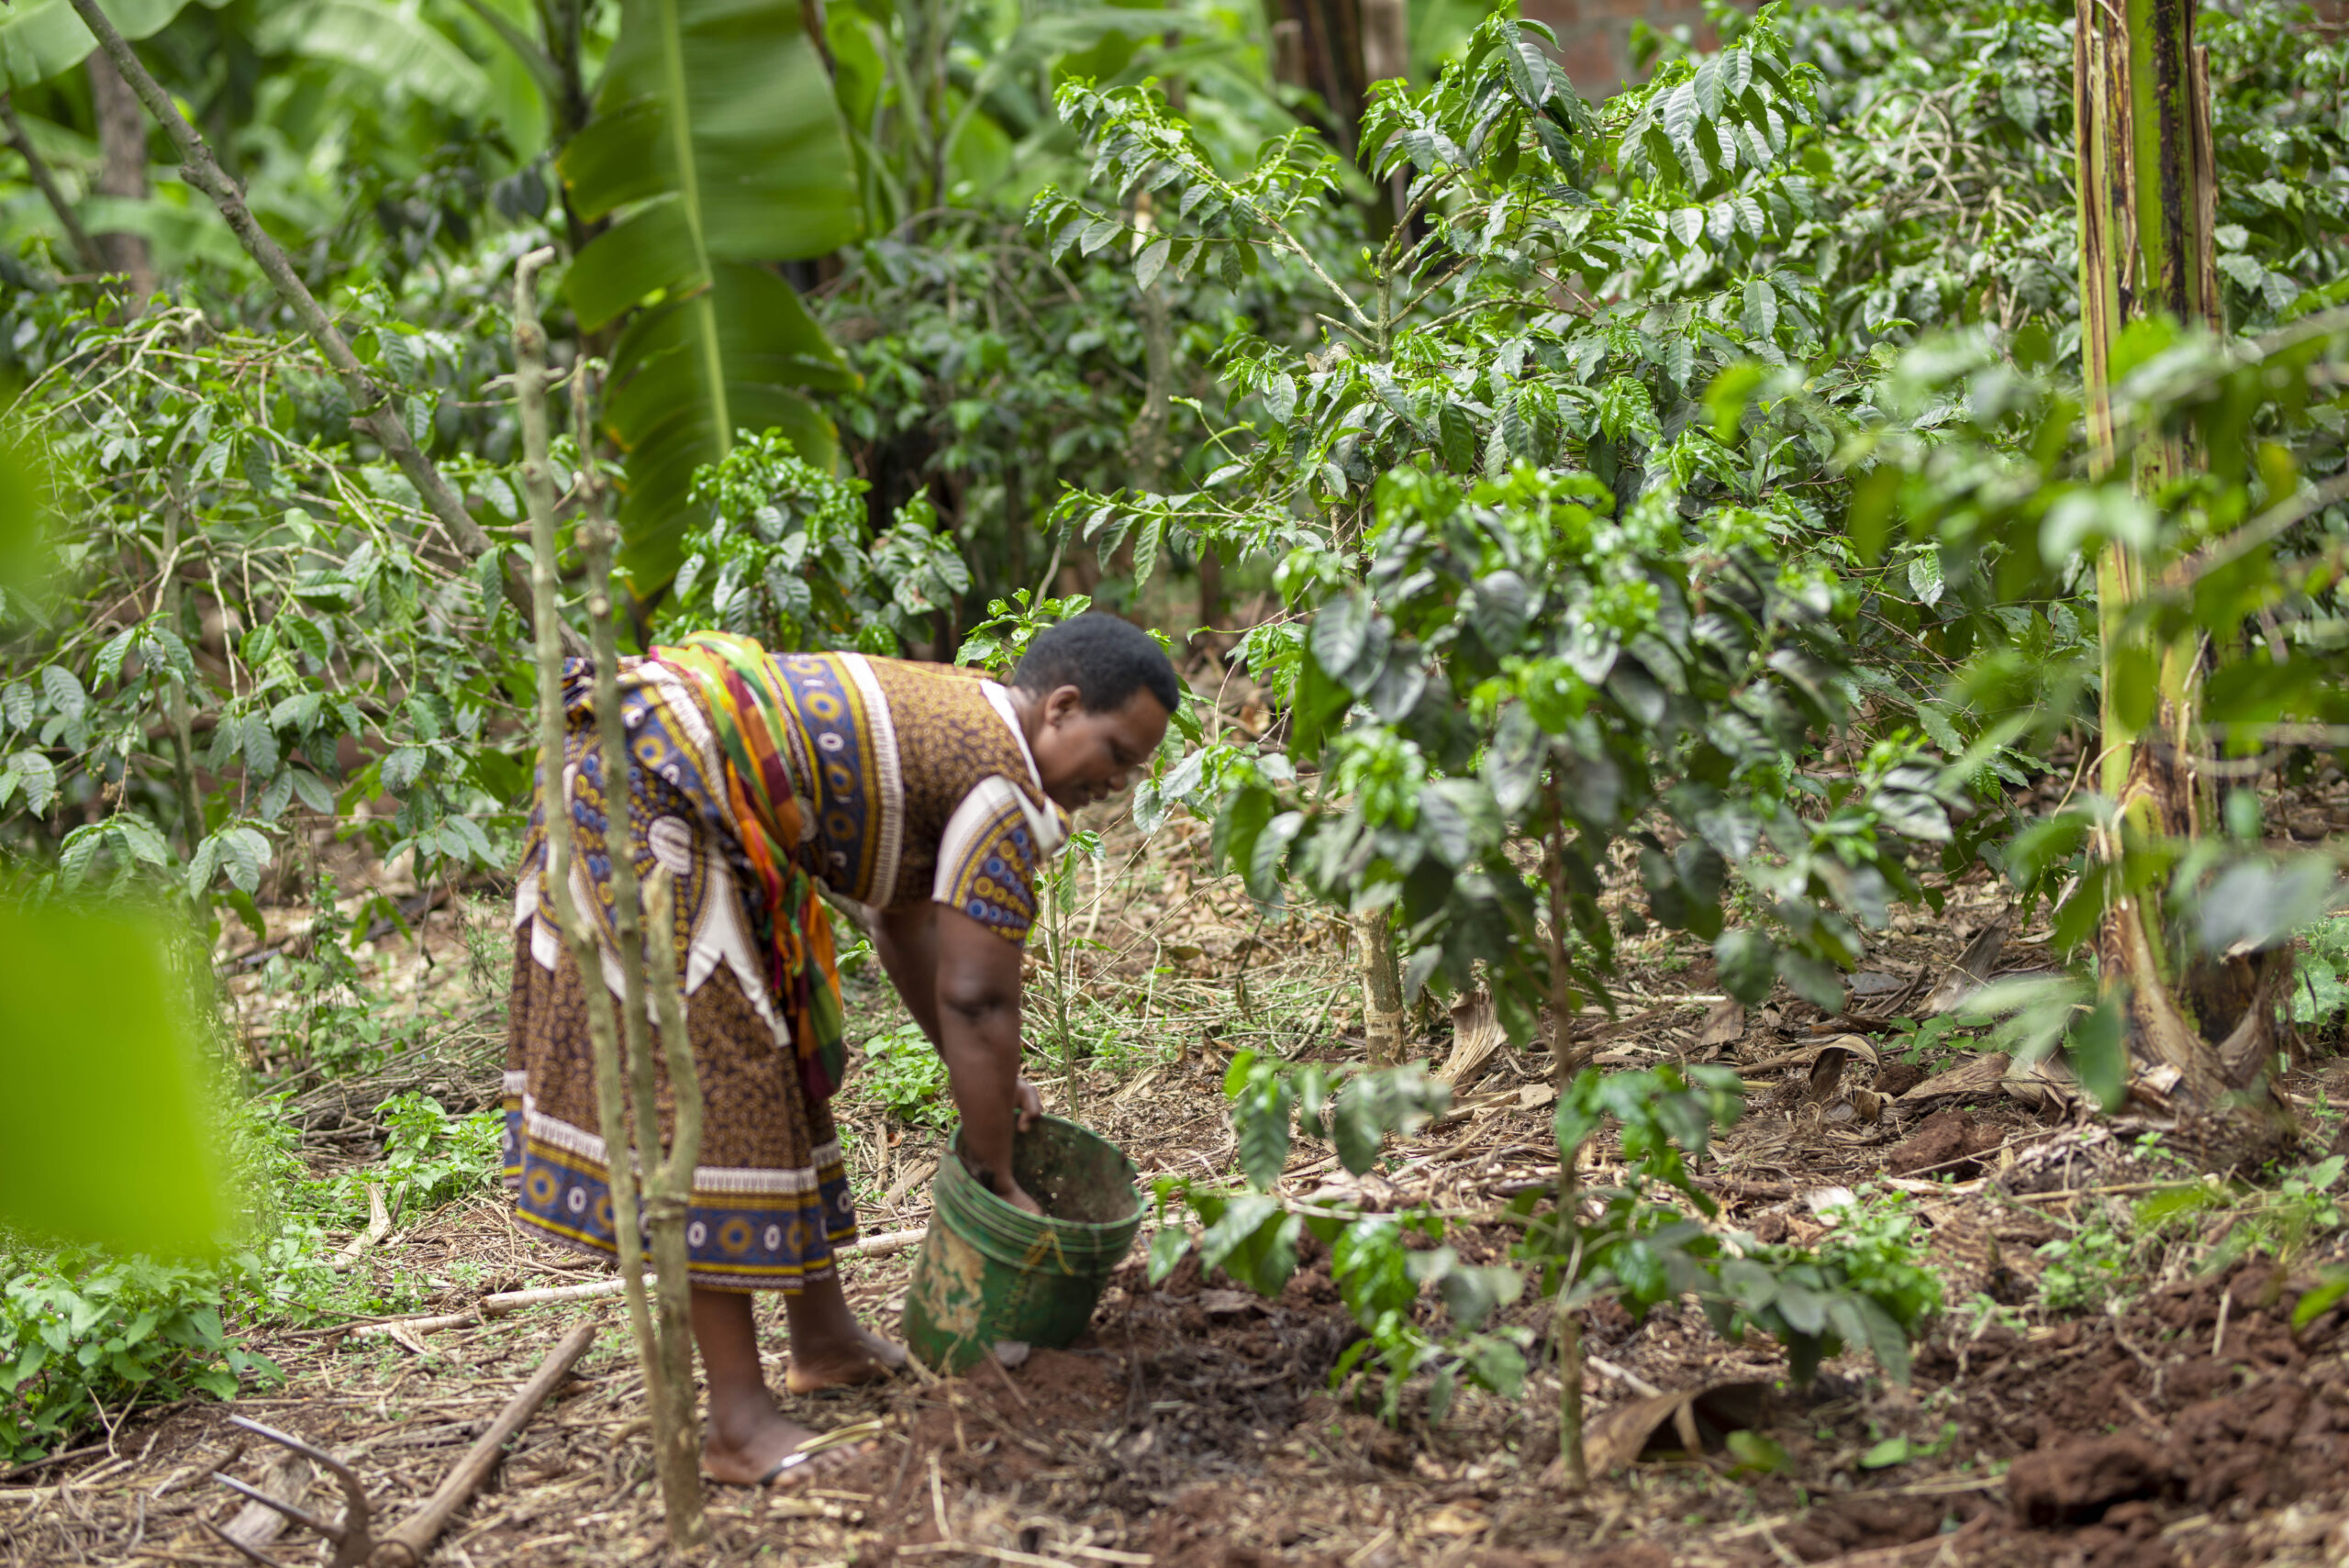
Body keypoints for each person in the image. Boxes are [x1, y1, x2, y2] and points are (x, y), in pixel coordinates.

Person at [502, 614, 1178, 1486]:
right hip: (647, 803)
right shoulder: (1002, 784)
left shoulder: (970, 722)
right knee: (718, 1106)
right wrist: (997, 1170)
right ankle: (738, 1426)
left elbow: (901, 924)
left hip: (673, 791)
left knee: (774, 1066)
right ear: (1063, 706)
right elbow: (980, 997)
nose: (1116, 783)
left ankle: (823, 1342)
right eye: (1115, 752)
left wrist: (989, 1085)